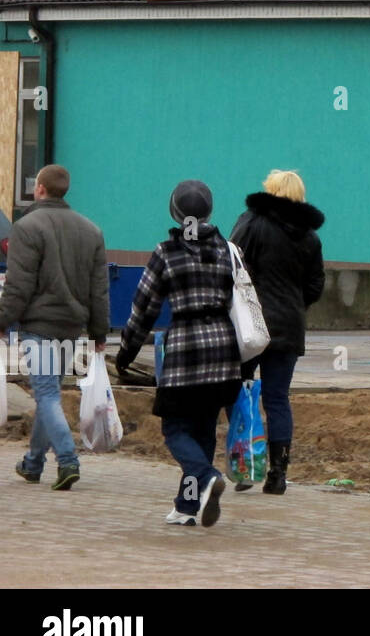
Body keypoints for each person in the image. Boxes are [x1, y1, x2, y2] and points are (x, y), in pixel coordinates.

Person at [115, 181, 240, 526]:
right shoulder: (229, 250)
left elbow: (144, 308)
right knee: (202, 429)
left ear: (174, 212)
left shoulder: (166, 252)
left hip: (186, 350)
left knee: (174, 428)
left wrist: (126, 351)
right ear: (209, 211)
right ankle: (186, 507)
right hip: (224, 351)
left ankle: (207, 476)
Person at [0, 164, 108, 491]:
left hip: (39, 327)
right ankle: (33, 463)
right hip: (72, 328)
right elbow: (99, 290)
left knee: (45, 394)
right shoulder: (91, 231)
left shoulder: (27, 227)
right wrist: (99, 333)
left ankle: (68, 460)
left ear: (39, 189)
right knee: (50, 396)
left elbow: (18, 285)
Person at [229, 170, 325, 495]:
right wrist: (294, 305)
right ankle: (278, 474)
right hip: (288, 327)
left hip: (250, 325)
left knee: (240, 390)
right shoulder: (310, 237)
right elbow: (315, 286)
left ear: (270, 191)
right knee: (277, 398)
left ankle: (244, 464)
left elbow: (232, 263)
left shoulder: (252, 223)